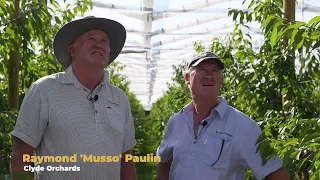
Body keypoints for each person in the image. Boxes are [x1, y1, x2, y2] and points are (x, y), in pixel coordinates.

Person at [10, 16, 137, 180]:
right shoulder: (44, 90)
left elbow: (125, 158)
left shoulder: (119, 99)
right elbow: (21, 154)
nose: (99, 44)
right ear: (72, 50)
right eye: (91, 38)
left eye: (105, 41)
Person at [156, 51, 290, 180]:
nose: (209, 75)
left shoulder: (243, 125)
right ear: (187, 78)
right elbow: (162, 160)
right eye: (202, 69)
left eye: (214, 71)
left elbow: (278, 174)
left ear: (221, 80)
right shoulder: (176, 121)